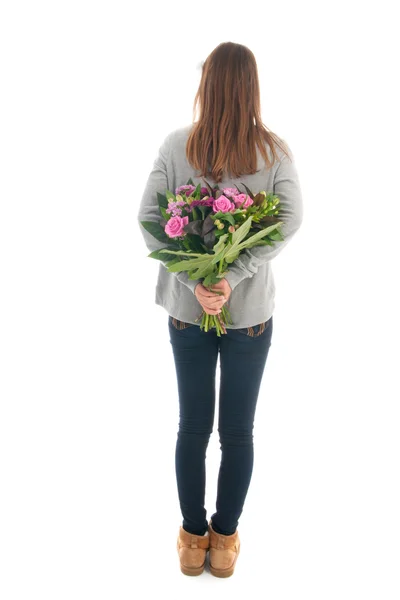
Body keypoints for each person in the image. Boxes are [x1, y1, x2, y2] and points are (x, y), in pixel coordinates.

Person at [137, 41, 303, 578]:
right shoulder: (273, 151)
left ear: (206, 85)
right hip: (250, 313)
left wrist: (200, 279)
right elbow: (290, 220)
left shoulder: (177, 143)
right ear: (252, 88)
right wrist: (231, 278)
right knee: (237, 431)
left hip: (188, 311)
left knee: (192, 426)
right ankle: (224, 540)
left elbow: (148, 218)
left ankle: (192, 538)